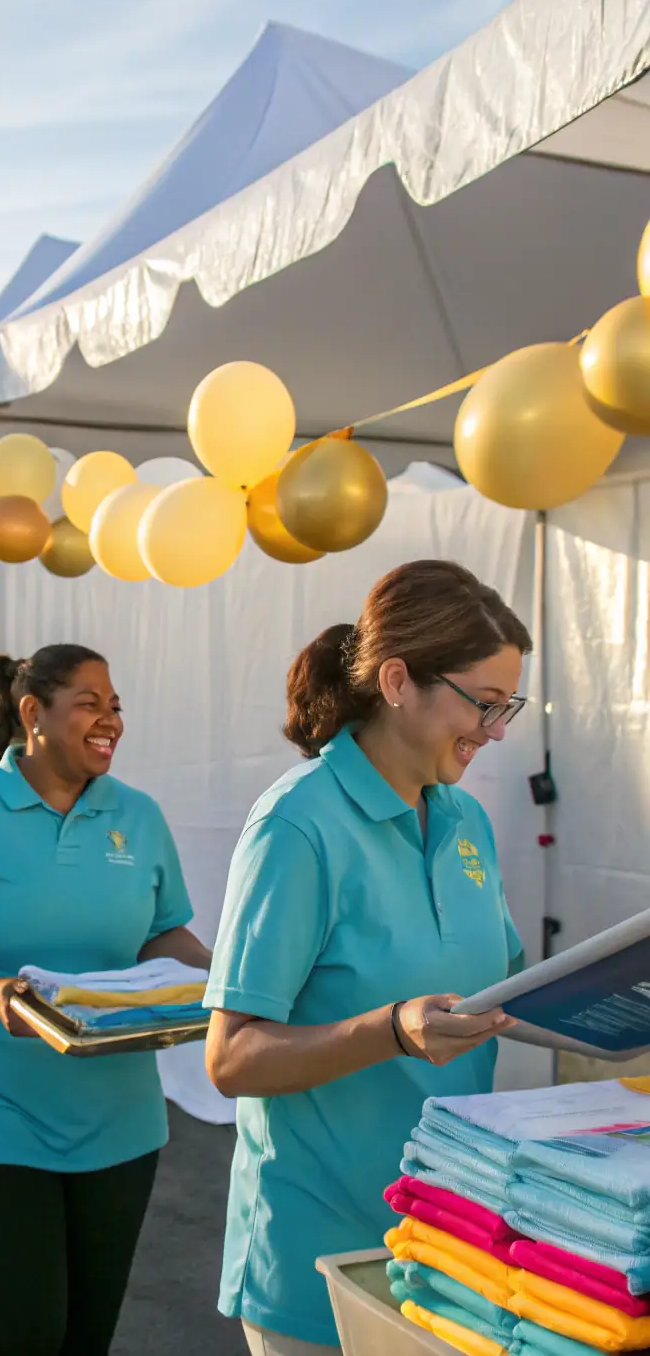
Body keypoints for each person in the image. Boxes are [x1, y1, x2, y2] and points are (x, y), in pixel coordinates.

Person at [204, 560, 532, 1355]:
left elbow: (508, 987)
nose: (495, 730)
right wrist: (390, 1029)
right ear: (396, 681)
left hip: (448, 1248)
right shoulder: (297, 824)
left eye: (507, 707)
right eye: (483, 703)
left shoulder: (465, 820)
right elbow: (232, 1056)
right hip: (319, 1258)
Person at [0, 644, 212, 1356]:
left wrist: (222, 981)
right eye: (90, 704)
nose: (110, 720)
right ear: (33, 712)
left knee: (85, 1339)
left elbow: (162, 933)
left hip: (120, 1122)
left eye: (115, 705)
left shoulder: (138, 815)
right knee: (21, 1336)